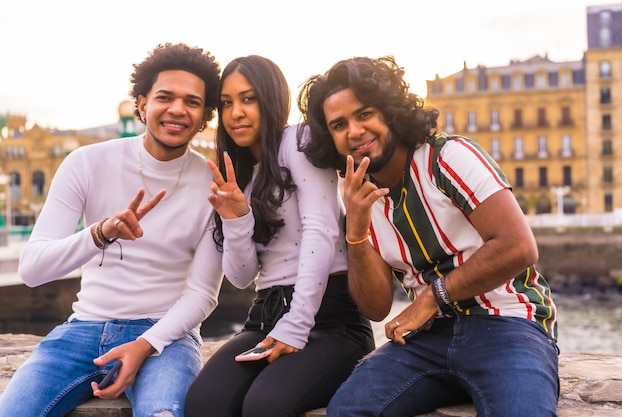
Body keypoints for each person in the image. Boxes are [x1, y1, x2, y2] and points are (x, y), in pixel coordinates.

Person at [296, 56, 560, 417]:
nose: (354, 131)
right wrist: (355, 232)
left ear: (389, 112)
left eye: (364, 114)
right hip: (426, 339)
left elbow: (519, 246)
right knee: (347, 410)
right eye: (339, 124)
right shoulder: (360, 197)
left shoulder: (448, 157)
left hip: (508, 322)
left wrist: (431, 298)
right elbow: (376, 307)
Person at [0, 42, 224, 417]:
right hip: (82, 329)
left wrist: (145, 344)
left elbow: (203, 294)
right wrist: (99, 234)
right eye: (164, 97)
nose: (177, 109)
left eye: (192, 101)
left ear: (205, 116)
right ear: (141, 104)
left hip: (165, 337)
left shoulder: (215, 184)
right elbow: (33, 269)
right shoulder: (86, 163)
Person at [184, 55, 375, 417]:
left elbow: (321, 229)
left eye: (248, 98)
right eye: (227, 103)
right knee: (203, 403)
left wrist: (297, 324)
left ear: (272, 100)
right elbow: (241, 277)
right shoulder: (238, 175)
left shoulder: (298, 140)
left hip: (330, 320)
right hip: (264, 316)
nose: (236, 112)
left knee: (265, 406)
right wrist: (238, 220)